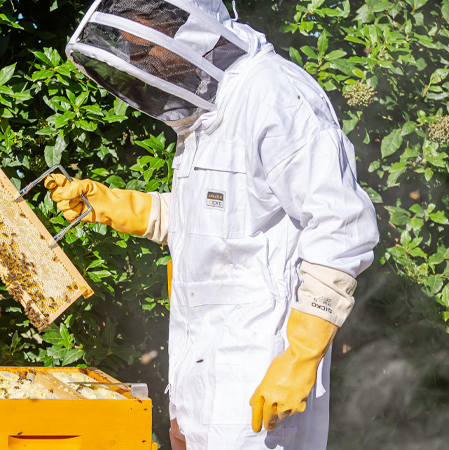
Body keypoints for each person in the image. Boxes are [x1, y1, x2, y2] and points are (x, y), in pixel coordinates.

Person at [45, 0, 379, 448]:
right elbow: (213, 221)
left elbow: (342, 226)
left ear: (187, 28)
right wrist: (115, 205)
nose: (140, 59)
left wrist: (299, 357)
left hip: (262, 381)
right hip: (198, 379)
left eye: (145, 46)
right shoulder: (205, 115)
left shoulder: (275, 94)